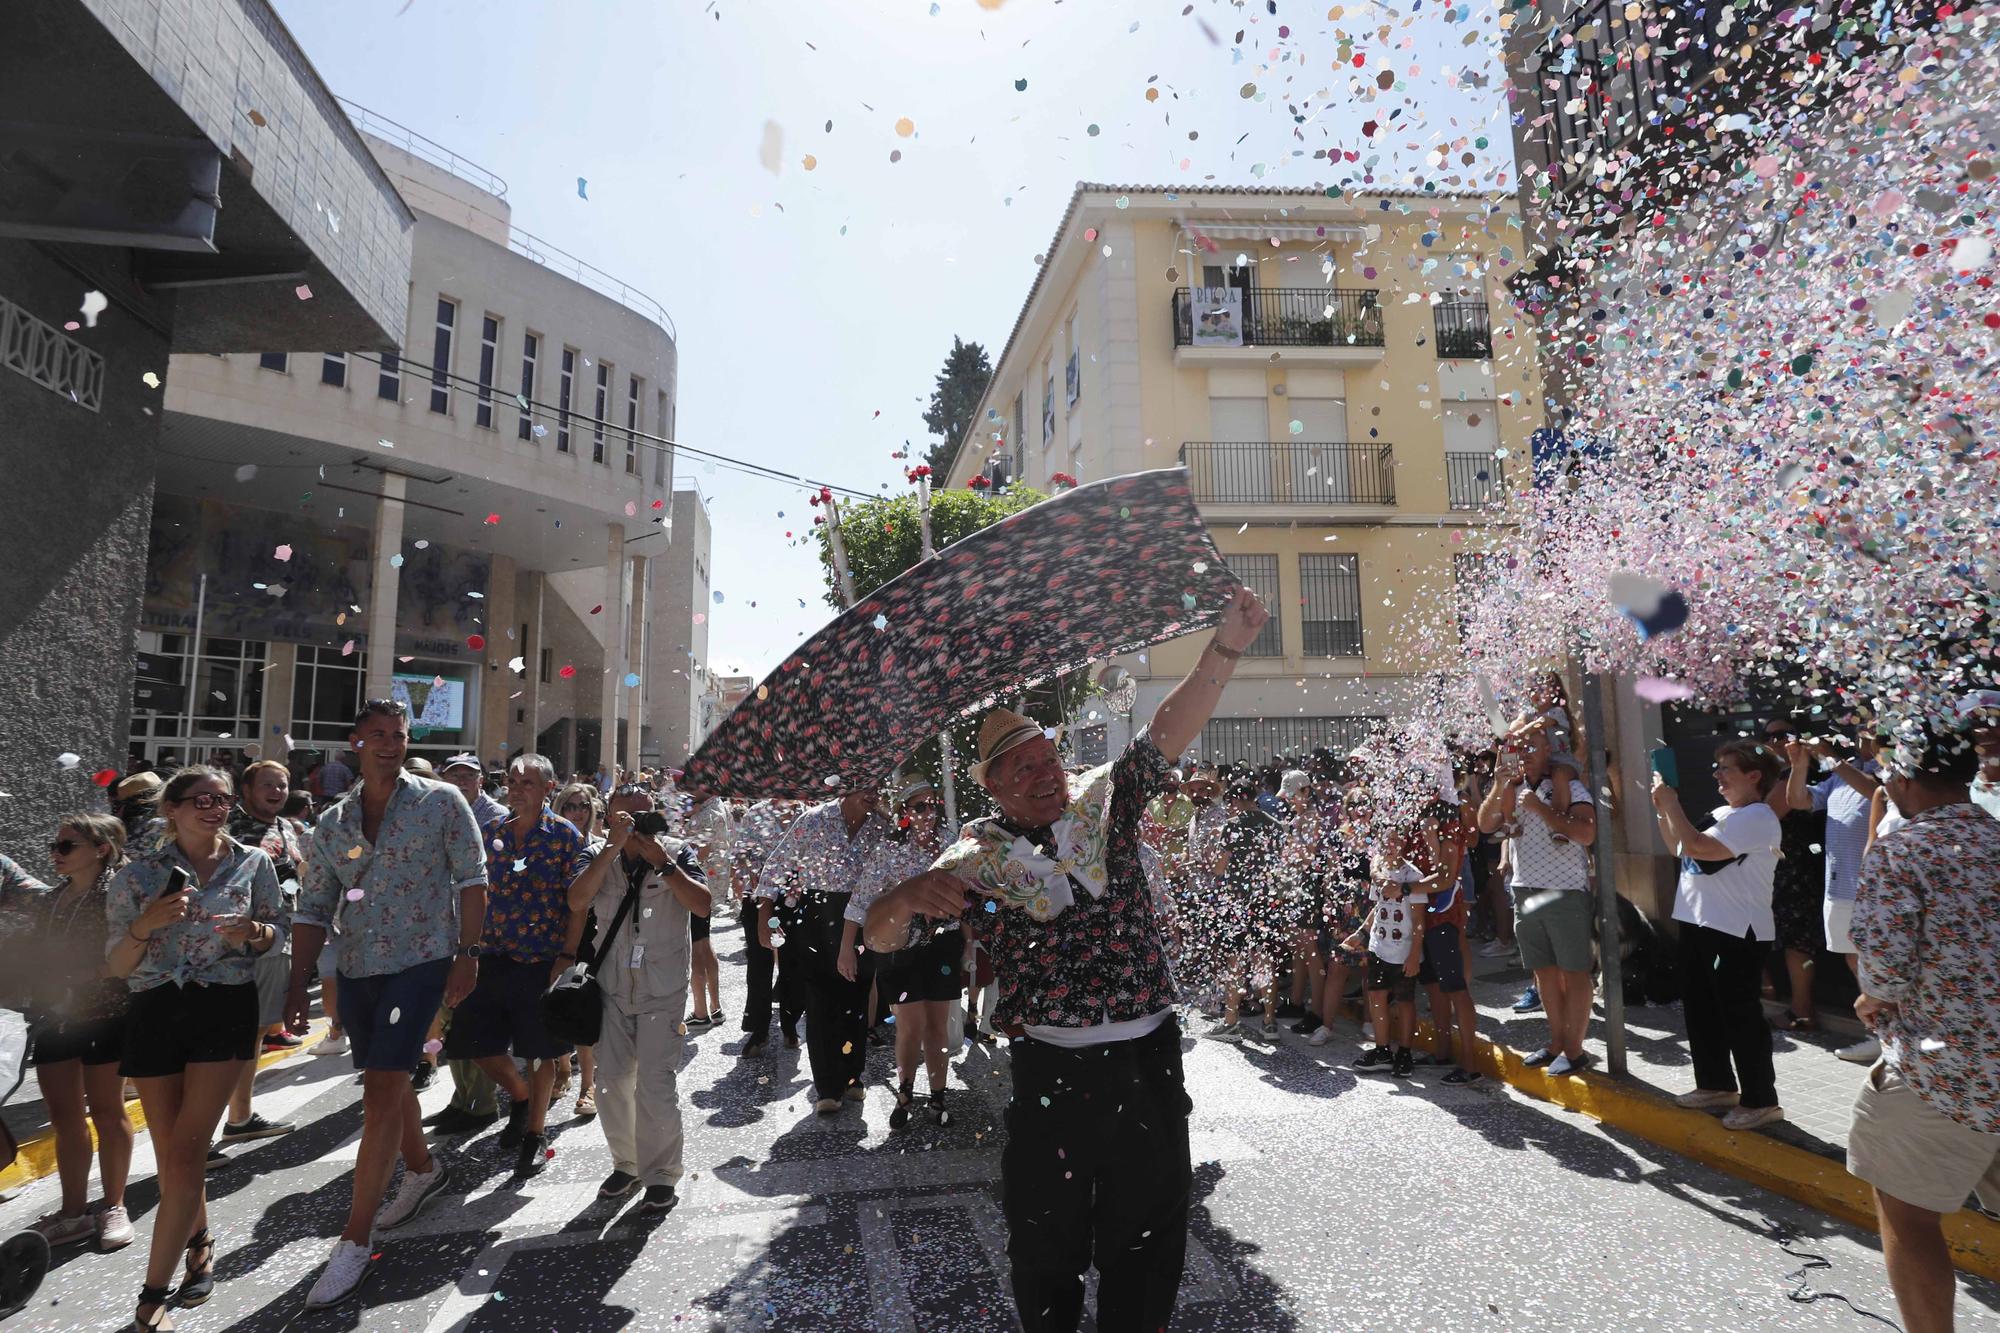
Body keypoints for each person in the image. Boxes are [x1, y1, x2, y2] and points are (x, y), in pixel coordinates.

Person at [866, 585, 1268, 1333]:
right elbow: (882, 942)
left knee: (1148, 1245)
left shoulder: (1103, 802)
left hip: (1149, 1064)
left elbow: (1167, 732)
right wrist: (902, 894)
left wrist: (1228, 646)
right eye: (1023, 769)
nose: (1045, 773)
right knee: (1045, 1248)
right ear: (992, 788)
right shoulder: (971, 861)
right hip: (1053, 1076)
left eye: (1048, 757)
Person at [290, 699, 487, 1310]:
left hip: (422, 962)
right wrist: (298, 980)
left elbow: (473, 879)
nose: (389, 743)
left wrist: (467, 952)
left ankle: (354, 1243)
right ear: (356, 742)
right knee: (388, 1077)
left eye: (398, 735)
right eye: (376, 734)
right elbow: (314, 905)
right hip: (358, 968)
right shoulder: (334, 822)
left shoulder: (439, 801)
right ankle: (424, 1171)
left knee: (380, 1091)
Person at [105, 767, 285, 1332]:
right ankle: (200, 1242)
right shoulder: (136, 877)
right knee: (173, 1156)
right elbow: (113, 965)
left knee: (186, 1150)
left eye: (223, 799)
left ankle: (152, 1292)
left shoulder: (253, 862)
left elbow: (276, 931)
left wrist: (252, 933)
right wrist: (146, 925)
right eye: (201, 799)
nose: (215, 807)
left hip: (222, 1008)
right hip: (155, 1009)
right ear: (172, 809)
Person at [1845, 721, 2000, 1333]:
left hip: (1944, 1074)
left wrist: (1871, 998)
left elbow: (1884, 967)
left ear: (1904, 778)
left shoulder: (1904, 848)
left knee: (1908, 1217)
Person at [566, 783, 711, 1211]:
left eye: (644, 816)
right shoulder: (596, 854)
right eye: (625, 818)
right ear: (608, 817)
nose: (636, 827)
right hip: (611, 987)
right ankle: (626, 1164)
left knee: (655, 1084)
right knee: (611, 1083)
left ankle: (662, 1173)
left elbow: (702, 905)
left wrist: (664, 865)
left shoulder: (677, 852)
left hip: (662, 988)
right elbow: (576, 900)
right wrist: (611, 850)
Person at [446, 753, 590, 1176]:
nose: (517, 788)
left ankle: (535, 1132)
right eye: (512, 780)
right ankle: (521, 1096)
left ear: (549, 788)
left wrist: (566, 955)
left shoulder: (565, 836)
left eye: (528, 782)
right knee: (473, 1042)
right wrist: (464, 949)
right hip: (490, 954)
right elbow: (470, 891)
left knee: (541, 1051)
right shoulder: (489, 831)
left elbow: (578, 905)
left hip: (540, 959)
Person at [1654, 739, 1787, 1130]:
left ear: (1754, 776)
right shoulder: (1722, 812)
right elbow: (1680, 847)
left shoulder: (1758, 816)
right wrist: (1663, 809)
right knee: (1701, 1009)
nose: (1717, 776)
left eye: (1725, 769)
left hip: (1736, 931)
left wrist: (1672, 801)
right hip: (1700, 922)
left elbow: (1699, 846)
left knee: (1739, 1017)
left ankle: (1761, 1099)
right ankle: (1715, 1084)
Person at [23, 815, 136, 1253]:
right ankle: (73, 1213)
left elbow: (129, 952)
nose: (56, 852)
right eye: (55, 844)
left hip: (105, 1014)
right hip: (55, 1016)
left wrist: (86, 975)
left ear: (102, 848)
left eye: (67, 846)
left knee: (108, 1112)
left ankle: (113, 1206)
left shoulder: (116, 896)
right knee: (64, 1117)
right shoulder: (52, 899)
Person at [1477, 726, 1599, 1076]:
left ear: (1549, 751)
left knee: (1575, 973)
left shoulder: (1570, 786)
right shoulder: (1511, 789)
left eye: (1533, 746)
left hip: (1564, 892)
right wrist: (1500, 783)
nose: (1525, 752)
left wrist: (1541, 809)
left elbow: (1586, 832)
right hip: (1526, 890)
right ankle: (1556, 1043)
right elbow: (1486, 825)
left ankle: (1575, 1050)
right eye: (1518, 746)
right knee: (1544, 973)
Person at [762, 790, 892, 1114]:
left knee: (858, 994)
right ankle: (827, 1085)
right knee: (820, 999)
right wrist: (765, 915)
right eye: (866, 785)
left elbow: (897, 863)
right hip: (818, 914)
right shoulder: (814, 819)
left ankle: (852, 1075)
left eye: (878, 784)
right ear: (847, 785)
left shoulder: (881, 825)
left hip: (864, 917)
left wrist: (891, 819)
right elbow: (776, 864)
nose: (872, 792)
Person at [847, 781, 957, 1127]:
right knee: (910, 1025)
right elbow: (861, 900)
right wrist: (846, 949)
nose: (928, 813)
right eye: (919, 807)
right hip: (900, 948)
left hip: (943, 944)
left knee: (937, 1027)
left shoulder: (951, 843)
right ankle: (905, 1093)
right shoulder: (890, 849)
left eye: (931, 805)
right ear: (905, 812)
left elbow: (971, 889)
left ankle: (938, 1098)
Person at [217, 760, 303, 1149]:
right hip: (229, 943)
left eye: (283, 785)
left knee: (253, 1031)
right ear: (246, 790)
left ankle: (240, 1116)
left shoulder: (285, 827)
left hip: (274, 937)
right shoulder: (224, 826)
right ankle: (197, 1132)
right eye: (267, 784)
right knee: (220, 1035)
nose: (277, 791)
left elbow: (299, 869)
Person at [1784, 731, 1883, 1063]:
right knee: (1854, 959)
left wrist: (1829, 757)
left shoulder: (1890, 768)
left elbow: (1876, 791)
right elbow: (1798, 800)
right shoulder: (1842, 771)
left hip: (1873, 888)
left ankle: (1888, 1038)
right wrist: (1799, 765)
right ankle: (1879, 1033)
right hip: (1839, 885)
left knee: (1875, 961)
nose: (1863, 736)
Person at [427, 754, 511, 1114]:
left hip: (480, 933)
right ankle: (462, 1097)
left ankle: (481, 1101)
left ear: (481, 780)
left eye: (468, 775)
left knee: (474, 1019)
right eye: (454, 774)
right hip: (442, 928)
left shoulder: (496, 818)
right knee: (451, 1018)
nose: (461, 781)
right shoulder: (436, 810)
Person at [1761, 720, 1826, 1031]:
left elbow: (1767, 812)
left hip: (1798, 866)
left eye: (1782, 734)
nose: (1775, 741)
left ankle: (1802, 1012)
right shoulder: (1781, 774)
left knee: (1797, 941)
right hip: (1785, 866)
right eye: (1769, 736)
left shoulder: (1796, 774)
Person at [1346, 858, 1432, 1077]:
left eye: (1396, 839)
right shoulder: (1380, 872)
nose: (1391, 845)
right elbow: (1377, 907)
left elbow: (1419, 918)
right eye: (1387, 840)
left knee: (1405, 1002)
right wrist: (1361, 934)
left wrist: (1414, 955)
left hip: (1403, 951)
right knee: (1376, 997)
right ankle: (1382, 1050)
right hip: (1379, 947)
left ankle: (1404, 1052)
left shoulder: (1413, 876)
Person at [552, 783, 605, 1116]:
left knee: (583, 1006)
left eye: (584, 805)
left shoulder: (601, 847)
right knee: (557, 1004)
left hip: (590, 935)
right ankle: (561, 1069)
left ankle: (588, 1082)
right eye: (570, 805)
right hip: (553, 934)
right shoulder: (549, 845)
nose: (578, 811)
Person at [736, 798, 803, 1057]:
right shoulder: (756, 813)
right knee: (758, 962)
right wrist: (756, 878)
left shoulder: (804, 813)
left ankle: (790, 1023)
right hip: (757, 897)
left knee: (793, 963)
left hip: (793, 899)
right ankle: (759, 1029)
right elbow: (744, 854)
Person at [683, 787, 733, 1028]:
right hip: (712, 884)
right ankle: (714, 1007)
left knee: (696, 946)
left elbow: (699, 854)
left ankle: (701, 1011)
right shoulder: (718, 806)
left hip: (698, 885)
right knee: (704, 941)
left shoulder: (706, 815)